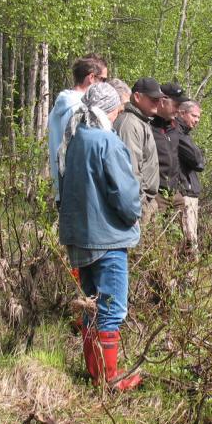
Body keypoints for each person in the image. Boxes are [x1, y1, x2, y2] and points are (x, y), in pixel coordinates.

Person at [58, 83, 142, 391]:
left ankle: (97, 375)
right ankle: (109, 379)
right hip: (107, 237)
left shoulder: (74, 139)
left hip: (78, 235)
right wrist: (134, 214)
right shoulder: (107, 141)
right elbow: (126, 195)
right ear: (110, 110)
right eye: (119, 109)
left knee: (91, 304)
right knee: (111, 307)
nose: (120, 113)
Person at [47, 55, 107, 205]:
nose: (106, 85)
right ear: (92, 77)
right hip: (77, 191)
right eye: (104, 80)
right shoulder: (78, 109)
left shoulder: (59, 107)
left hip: (64, 188)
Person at [114, 77, 161, 225]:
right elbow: (130, 170)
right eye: (153, 99)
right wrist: (140, 204)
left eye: (159, 99)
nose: (157, 103)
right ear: (137, 97)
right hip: (139, 205)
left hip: (147, 202)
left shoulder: (141, 121)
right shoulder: (129, 124)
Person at [152, 82, 187, 214]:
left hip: (175, 193)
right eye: (176, 105)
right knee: (156, 234)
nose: (178, 109)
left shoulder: (175, 127)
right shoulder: (147, 126)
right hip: (157, 196)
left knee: (178, 234)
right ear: (162, 101)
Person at [175, 99, 204, 255]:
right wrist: (198, 158)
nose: (197, 120)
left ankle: (189, 276)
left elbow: (199, 161)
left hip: (189, 191)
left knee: (190, 238)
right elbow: (196, 159)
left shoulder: (183, 134)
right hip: (184, 192)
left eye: (198, 117)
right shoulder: (177, 132)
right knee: (188, 240)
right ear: (182, 113)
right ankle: (189, 278)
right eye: (194, 116)